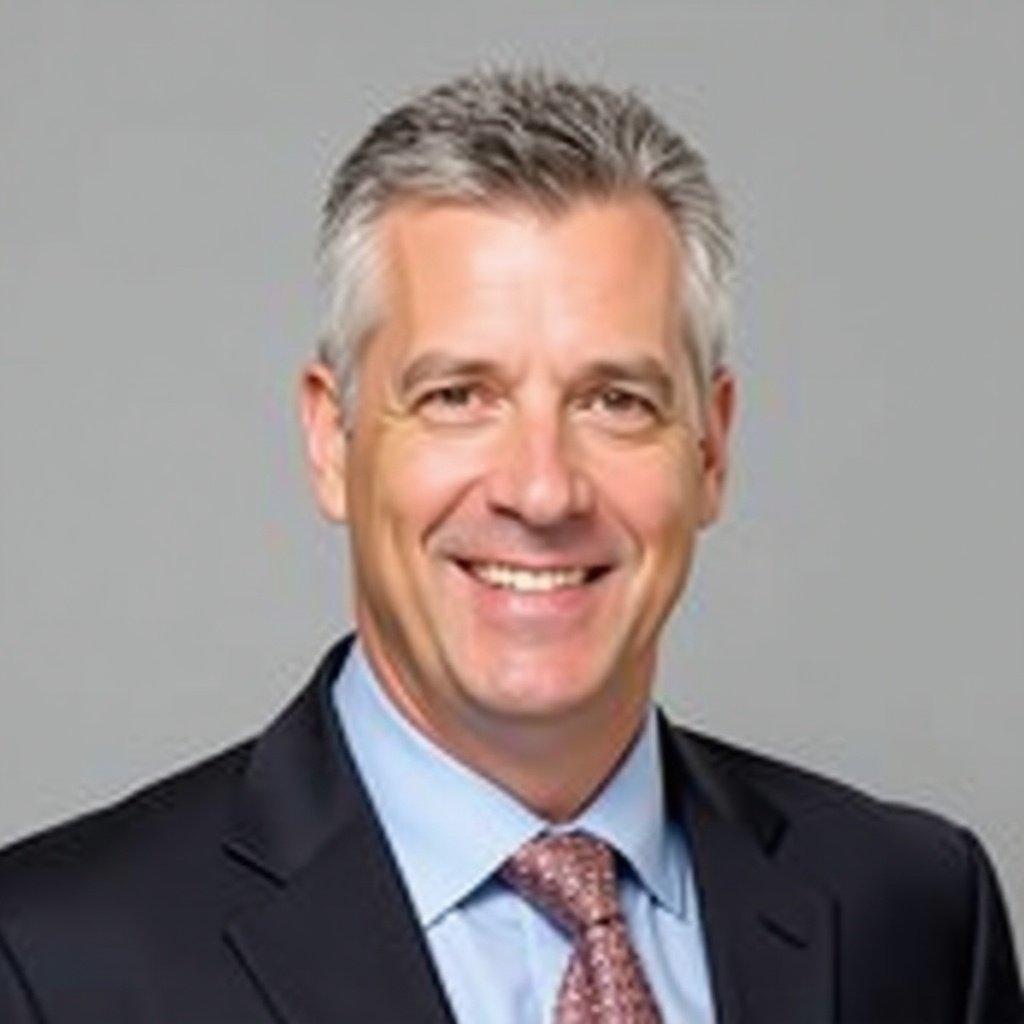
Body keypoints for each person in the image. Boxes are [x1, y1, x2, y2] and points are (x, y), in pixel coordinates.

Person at [0, 69, 1020, 1024]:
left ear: (711, 447)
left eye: (615, 400)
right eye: (457, 397)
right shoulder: (54, 961)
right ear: (331, 437)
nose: (541, 489)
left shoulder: (920, 914)